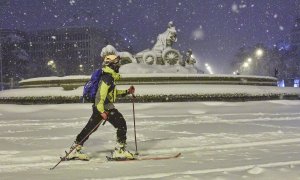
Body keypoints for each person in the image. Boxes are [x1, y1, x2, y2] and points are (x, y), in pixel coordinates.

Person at [68, 54, 135, 160]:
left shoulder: (108, 76)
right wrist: (102, 111)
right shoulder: (107, 77)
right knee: (121, 124)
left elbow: (111, 94)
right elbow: (100, 96)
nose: (119, 65)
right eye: (117, 63)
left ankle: (74, 149)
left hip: (100, 107)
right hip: (104, 107)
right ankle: (119, 151)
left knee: (89, 129)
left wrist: (127, 92)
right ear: (112, 64)